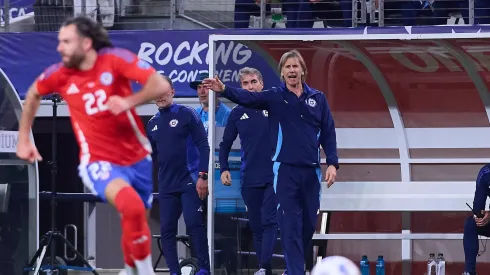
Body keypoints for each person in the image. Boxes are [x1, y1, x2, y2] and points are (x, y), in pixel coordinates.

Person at [15, 16, 173, 275]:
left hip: (138, 158)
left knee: (135, 220)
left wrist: (128, 101)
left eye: (66, 41)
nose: (59, 47)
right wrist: (23, 139)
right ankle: (144, 271)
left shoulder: (115, 59)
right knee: (131, 206)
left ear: (86, 43)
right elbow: (33, 93)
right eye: (59, 42)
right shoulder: (60, 74)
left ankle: (130, 269)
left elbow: (160, 84)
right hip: (98, 161)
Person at [203, 49, 339, 275]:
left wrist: (332, 163)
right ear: (282, 73)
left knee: (306, 227)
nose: (292, 70)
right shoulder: (275, 97)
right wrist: (225, 89)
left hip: (312, 172)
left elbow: (328, 132)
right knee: (288, 225)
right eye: (287, 67)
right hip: (284, 171)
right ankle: (294, 271)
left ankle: (292, 268)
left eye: (296, 66)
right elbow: (247, 97)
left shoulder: (318, 98)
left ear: (303, 71)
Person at [146, 77, 211, 275]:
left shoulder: (187, 114)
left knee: (193, 224)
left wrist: (203, 176)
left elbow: (204, 145)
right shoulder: (152, 123)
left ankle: (204, 269)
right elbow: (152, 156)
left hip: (190, 181)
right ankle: (174, 272)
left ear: (172, 92)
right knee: (166, 231)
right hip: (166, 186)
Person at [218, 67, 278, 275]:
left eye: (253, 82)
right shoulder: (236, 113)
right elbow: (225, 144)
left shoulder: (273, 106)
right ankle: (265, 270)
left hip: (274, 176)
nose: (250, 87)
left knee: (270, 222)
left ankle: (263, 267)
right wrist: (224, 168)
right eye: (245, 83)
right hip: (249, 178)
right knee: (257, 225)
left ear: (261, 84)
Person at [463, 164, 490, 275]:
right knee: (471, 223)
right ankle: (470, 272)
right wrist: (480, 216)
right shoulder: (486, 172)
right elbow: (478, 203)